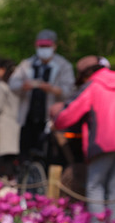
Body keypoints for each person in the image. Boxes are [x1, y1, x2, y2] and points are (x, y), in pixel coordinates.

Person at [52, 56, 115, 219]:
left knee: (94, 186)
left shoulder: (92, 86)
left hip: (102, 143)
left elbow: (69, 113)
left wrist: (56, 122)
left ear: (86, 74)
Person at [9, 30, 75, 160]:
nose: (44, 49)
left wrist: (51, 89)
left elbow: (69, 91)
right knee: (25, 153)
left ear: (54, 46)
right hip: (27, 118)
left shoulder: (63, 65)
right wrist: (24, 86)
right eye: (41, 46)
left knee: (48, 154)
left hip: (50, 120)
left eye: (47, 46)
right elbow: (13, 84)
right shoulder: (27, 64)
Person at [0, 60, 20, 180]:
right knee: (10, 159)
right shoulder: (19, 89)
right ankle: (10, 183)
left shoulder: (1, 86)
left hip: (3, 126)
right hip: (16, 125)